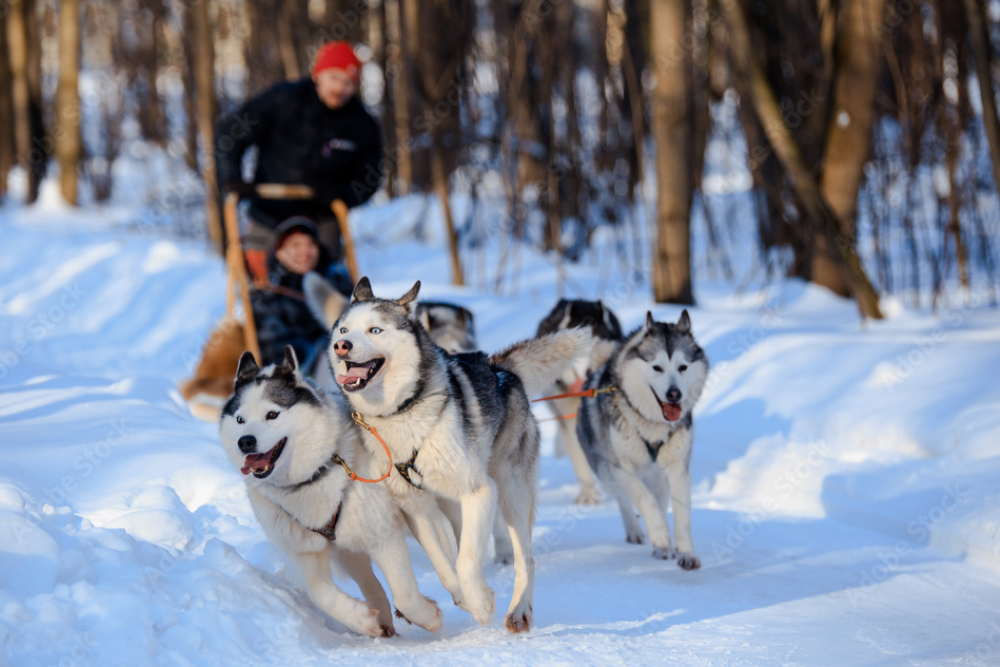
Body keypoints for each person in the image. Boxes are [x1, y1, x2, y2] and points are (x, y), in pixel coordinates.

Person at [215, 41, 382, 293]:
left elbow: (370, 177)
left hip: (322, 217)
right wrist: (232, 177)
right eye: (334, 78)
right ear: (318, 75)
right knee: (259, 285)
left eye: (348, 83)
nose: (340, 88)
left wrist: (342, 194)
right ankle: (260, 311)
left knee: (325, 288)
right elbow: (230, 133)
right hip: (269, 209)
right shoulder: (283, 100)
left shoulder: (362, 124)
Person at [250, 217, 334, 371]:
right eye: (295, 245)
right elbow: (275, 352)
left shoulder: (337, 284)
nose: (305, 252)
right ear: (279, 252)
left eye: (311, 244)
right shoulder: (266, 298)